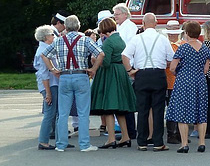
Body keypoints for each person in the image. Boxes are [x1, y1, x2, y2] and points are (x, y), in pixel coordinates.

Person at [41, 15, 104, 152]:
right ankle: (84, 144)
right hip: (81, 76)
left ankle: (61, 144)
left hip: (64, 77)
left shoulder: (58, 41)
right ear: (78, 26)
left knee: (63, 113)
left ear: (66, 26)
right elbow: (101, 54)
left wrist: (53, 69)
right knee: (82, 112)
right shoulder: (85, 39)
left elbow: (44, 55)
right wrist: (93, 69)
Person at [122, 13, 174, 151]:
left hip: (141, 74)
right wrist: (163, 63)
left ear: (143, 24)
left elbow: (125, 55)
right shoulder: (162, 39)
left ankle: (142, 142)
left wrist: (129, 71)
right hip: (158, 74)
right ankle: (158, 142)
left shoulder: (136, 38)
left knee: (142, 109)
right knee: (158, 109)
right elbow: (171, 58)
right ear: (156, 24)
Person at [166, 21, 210, 153]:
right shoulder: (205, 48)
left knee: (182, 112)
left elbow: (172, 67)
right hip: (200, 81)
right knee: (201, 112)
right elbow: (205, 70)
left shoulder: (183, 48)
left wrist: (179, 72)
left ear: (186, 33)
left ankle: (184, 144)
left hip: (184, 82)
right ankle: (202, 143)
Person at [90, 17, 137, 149]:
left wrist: (94, 60)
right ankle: (125, 136)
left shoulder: (109, 42)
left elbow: (105, 62)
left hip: (110, 74)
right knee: (119, 108)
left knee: (109, 107)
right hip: (120, 71)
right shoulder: (119, 39)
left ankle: (111, 139)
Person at [112, 3, 138, 141]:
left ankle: (130, 130)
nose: (115, 16)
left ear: (125, 14)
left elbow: (127, 47)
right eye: (114, 14)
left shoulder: (130, 27)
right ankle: (126, 130)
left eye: (117, 14)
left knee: (126, 99)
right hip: (121, 64)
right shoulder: (120, 27)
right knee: (123, 99)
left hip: (126, 65)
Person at [34, 25, 58, 150]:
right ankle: (43, 141)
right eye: (52, 34)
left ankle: (59, 140)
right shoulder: (42, 52)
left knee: (56, 112)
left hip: (53, 83)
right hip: (50, 85)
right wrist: (48, 92)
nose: (54, 36)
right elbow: (43, 74)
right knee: (50, 113)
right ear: (45, 37)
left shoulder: (47, 48)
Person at [164, 20, 184, 144]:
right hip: (168, 80)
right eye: (170, 32)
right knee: (172, 108)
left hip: (177, 81)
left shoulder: (182, 44)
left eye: (174, 32)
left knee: (178, 108)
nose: (172, 35)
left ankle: (179, 133)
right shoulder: (166, 44)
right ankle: (172, 134)